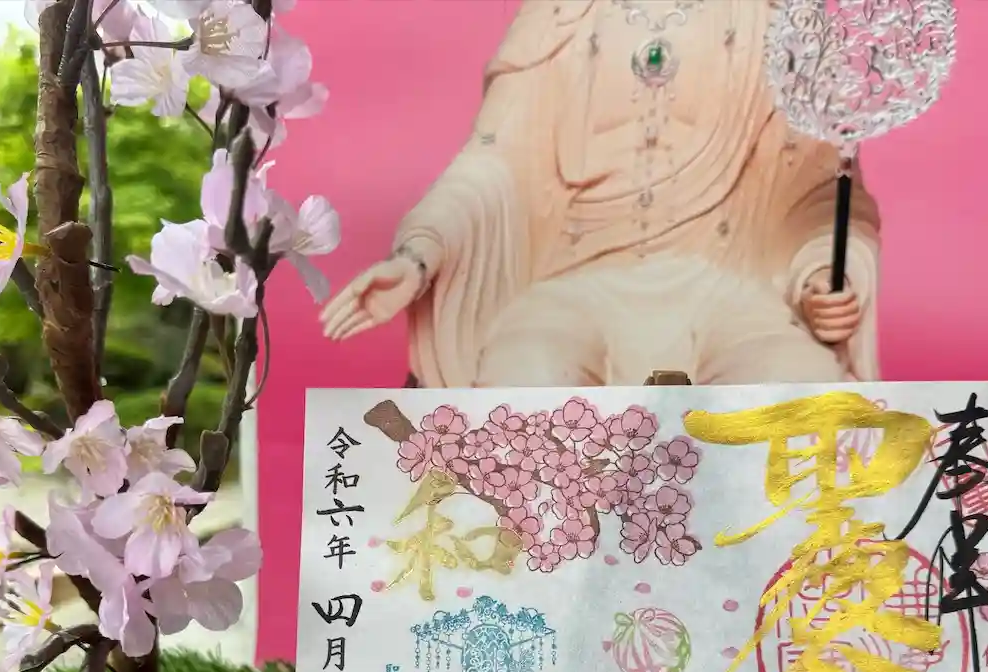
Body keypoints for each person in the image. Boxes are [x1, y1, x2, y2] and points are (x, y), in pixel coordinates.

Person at [321, 0, 880, 388]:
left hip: (729, 287)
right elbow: (490, 166)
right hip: (576, 282)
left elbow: (818, 190)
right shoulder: (559, 18)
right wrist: (419, 256)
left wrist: (821, 275)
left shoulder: (779, 24)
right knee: (526, 376)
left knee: (795, 384)